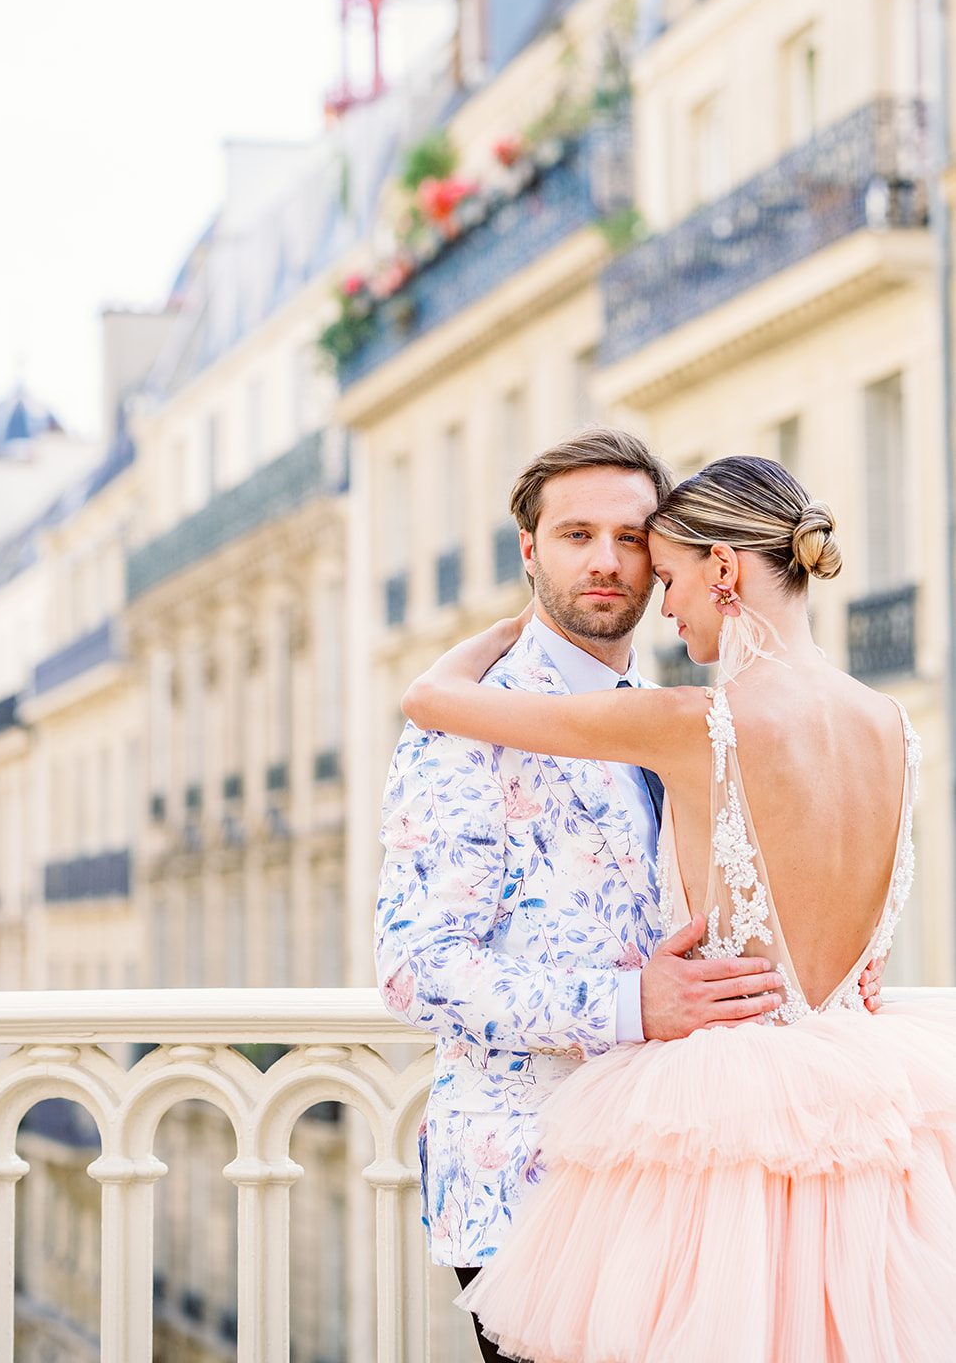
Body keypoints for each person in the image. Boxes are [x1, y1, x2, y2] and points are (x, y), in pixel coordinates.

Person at [401, 454, 956, 1363]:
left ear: (724, 571)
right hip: (862, 1115)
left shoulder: (695, 722)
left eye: (666, 575)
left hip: (722, 1122)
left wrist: (506, 626)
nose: (662, 605)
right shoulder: (892, 727)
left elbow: (430, 701)